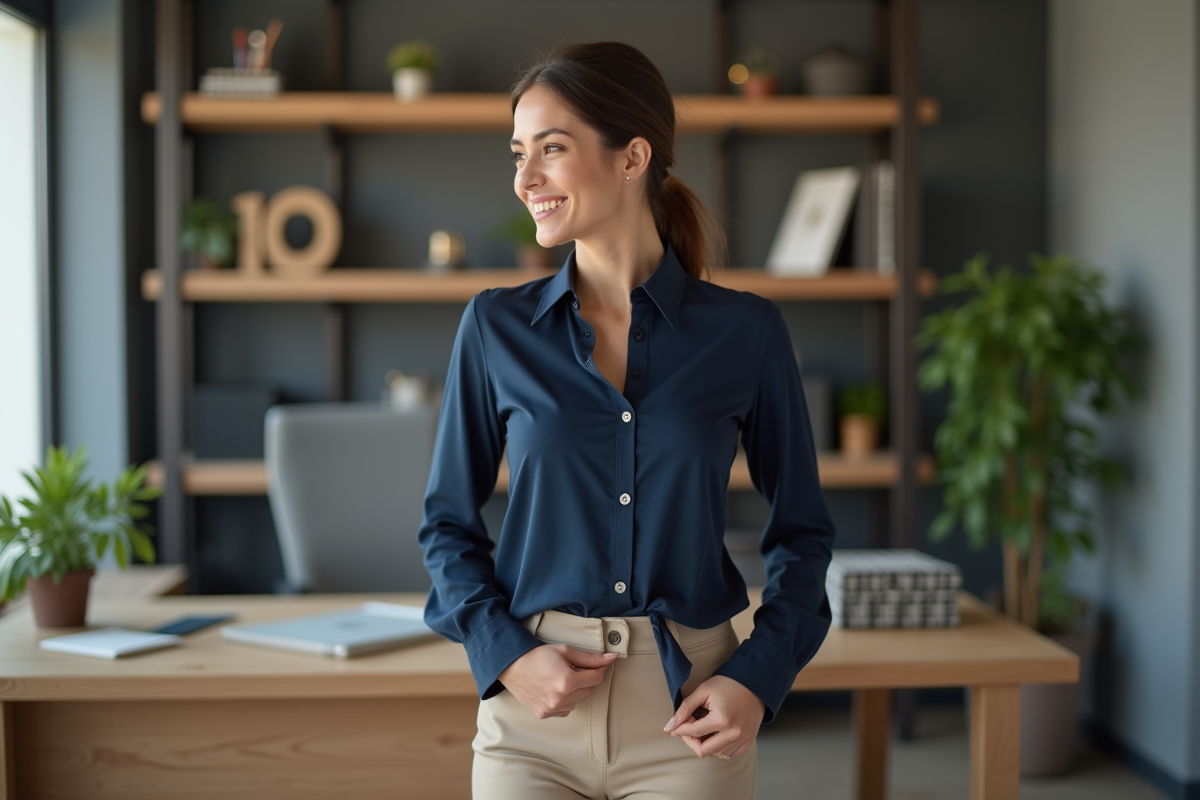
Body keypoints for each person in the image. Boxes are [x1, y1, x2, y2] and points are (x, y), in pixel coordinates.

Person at [417, 41, 836, 800]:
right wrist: (506, 655)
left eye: (551, 150)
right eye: (518, 154)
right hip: (532, 709)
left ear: (631, 156)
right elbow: (446, 523)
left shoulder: (747, 333)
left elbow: (804, 531)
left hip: (690, 711)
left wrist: (758, 675)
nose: (525, 180)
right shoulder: (493, 328)